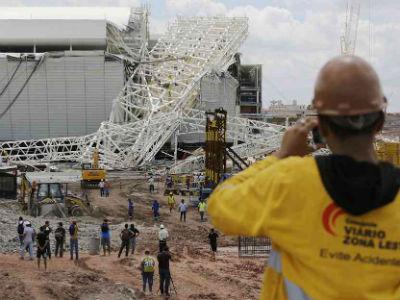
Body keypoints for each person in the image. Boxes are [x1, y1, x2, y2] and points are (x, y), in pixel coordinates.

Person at [207, 56, 399, 299]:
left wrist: (282, 155)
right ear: (380, 122)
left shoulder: (290, 181)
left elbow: (220, 206)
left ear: (322, 127)